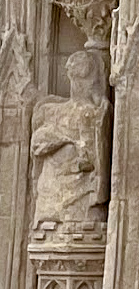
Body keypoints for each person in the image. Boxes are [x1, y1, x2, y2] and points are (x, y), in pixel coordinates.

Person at [30, 51, 110, 225]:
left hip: (78, 194)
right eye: (82, 79)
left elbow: (90, 160)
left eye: (88, 79)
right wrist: (65, 140)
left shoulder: (91, 113)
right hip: (52, 195)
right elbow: (36, 144)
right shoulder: (51, 110)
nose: (86, 85)